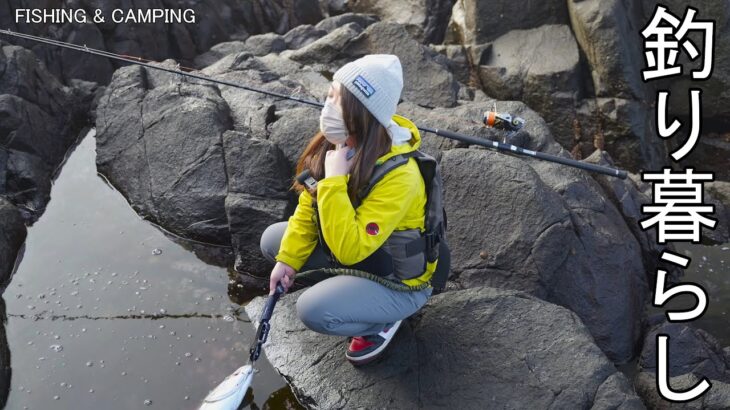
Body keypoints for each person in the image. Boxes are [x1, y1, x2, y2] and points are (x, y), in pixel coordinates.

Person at [259, 54, 437, 366]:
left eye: (337, 100)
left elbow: (349, 250)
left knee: (312, 310)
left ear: (361, 113)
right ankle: (350, 294)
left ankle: (381, 323)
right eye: (330, 95)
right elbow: (309, 207)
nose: (327, 106)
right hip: (368, 255)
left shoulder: (401, 177)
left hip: (399, 281)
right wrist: (288, 261)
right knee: (275, 241)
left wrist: (336, 181)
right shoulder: (342, 143)